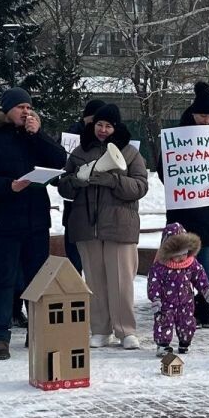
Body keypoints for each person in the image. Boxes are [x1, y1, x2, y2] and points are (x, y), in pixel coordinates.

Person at [0, 88, 67, 360]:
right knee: (3, 279)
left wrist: (39, 135)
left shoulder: (34, 137)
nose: (26, 111)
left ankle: (37, 333)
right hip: (3, 220)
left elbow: (59, 161)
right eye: (20, 107)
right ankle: (0, 337)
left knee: (37, 280)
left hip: (35, 221)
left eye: (29, 107)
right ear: (6, 110)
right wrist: (7, 186)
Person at [59, 104, 148, 349]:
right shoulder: (79, 152)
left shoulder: (130, 153)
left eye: (108, 126)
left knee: (121, 281)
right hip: (87, 225)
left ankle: (126, 330)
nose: (103, 130)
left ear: (116, 127)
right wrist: (77, 181)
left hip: (119, 226)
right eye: (99, 124)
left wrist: (113, 181)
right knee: (94, 280)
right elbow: (63, 186)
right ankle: (99, 329)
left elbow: (140, 187)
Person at [158, 81, 209, 328]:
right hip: (183, 209)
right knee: (179, 259)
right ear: (193, 113)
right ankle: (180, 304)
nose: (206, 120)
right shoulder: (177, 138)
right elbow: (165, 171)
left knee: (206, 258)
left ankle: (204, 307)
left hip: (208, 210)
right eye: (202, 115)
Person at [148, 223, 209, 356]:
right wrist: (155, 299)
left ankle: (185, 342)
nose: (181, 258)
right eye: (177, 255)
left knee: (187, 323)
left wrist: (205, 289)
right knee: (163, 322)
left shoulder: (191, 263)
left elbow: (199, 276)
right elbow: (154, 283)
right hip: (166, 303)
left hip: (186, 302)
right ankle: (163, 345)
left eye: (184, 253)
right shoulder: (160, 267)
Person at [62, 99, 106, 274]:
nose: (98, 126)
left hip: (102, 208)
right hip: (76, 206)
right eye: (94, 120)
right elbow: (62, 176)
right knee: (75, 258)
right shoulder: (72, 138)